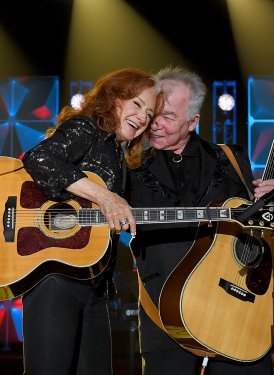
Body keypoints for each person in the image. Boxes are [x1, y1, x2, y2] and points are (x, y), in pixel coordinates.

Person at [126, 66, 274, 375]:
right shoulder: (130, 165)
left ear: (193, 122)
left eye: (168, 117)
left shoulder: (232, 158)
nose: (155, 125)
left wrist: (270, 201)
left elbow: (258, 229)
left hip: (234, 309)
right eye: (153, 114)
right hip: (164, 313)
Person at [21, 67, 163, 375]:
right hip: (54, 279)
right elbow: (39, 158)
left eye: (149, 113)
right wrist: (106, 197)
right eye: (136, 104)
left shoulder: (120, 157)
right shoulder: (86, 128)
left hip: (96, 287)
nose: (143, 117)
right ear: (113, 98)